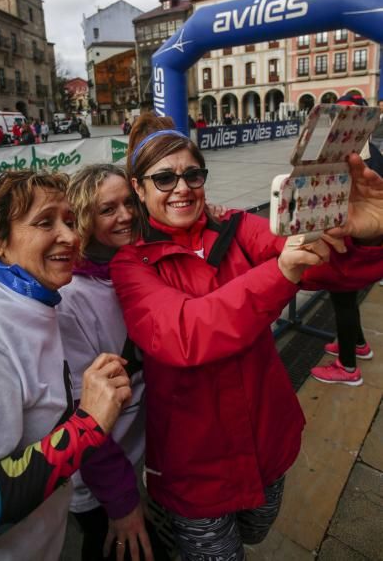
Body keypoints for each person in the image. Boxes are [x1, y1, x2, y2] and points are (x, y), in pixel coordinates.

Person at [109, 112, 383, 560]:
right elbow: (183, 333)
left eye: (192, 174)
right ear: (138, 189)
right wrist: (280, 273)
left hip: (266, 437)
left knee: (257, 529)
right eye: (163, 179)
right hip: (195, 464)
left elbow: (327, 266)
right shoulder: (131, 264)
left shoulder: (236, 226)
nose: (181, 187)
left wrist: (365, 236)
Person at [0, 170, 131, 561]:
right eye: (45, 222)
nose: (69, 236)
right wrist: (86, 428)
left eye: (69, 220)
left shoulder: (34, 299)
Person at [57, 164, 170, 561]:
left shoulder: (131, 264)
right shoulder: (72, 297)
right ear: (85, 218)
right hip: (98, 483)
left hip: (131, 460)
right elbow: (79, 416)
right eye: (107, 209)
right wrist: (121, 502)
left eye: (128, 203)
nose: (124, 215)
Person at [311, 93, 383, 385]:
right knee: (347, 298)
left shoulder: (354, 157)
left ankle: (348, 367)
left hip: (352, 243)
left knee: (343, 299)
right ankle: (357, 344)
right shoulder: (372, 150)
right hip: (363, 244)